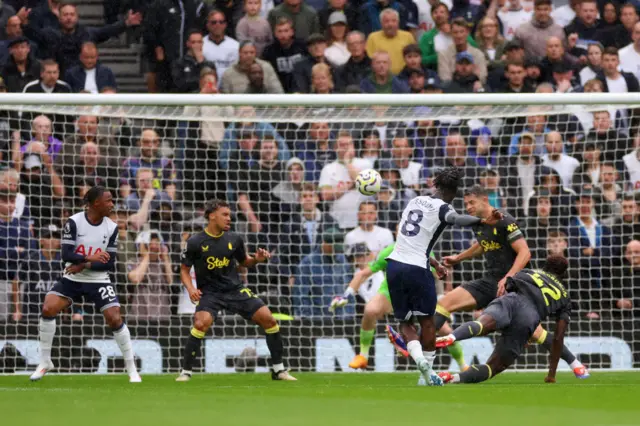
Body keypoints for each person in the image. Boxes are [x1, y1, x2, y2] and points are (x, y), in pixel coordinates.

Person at [425, 184, 589, 379]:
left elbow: (525, 252)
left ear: (484, 200)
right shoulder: (479, 223)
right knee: (443, 304)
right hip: (490, 281)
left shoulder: (505, 220)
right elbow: (482, 244)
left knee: (537, 333)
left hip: (516, 286)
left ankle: (575, 363)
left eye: (471, 202)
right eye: (465, 203)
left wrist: (509, 277)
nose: (467, 207)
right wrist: (458, 258)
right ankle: (424, 355)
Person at [382, 167, 504, 386]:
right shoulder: (443, 208)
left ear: (435, 185)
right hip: (417, 269)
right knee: (428, 322)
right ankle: (424, 375)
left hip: (394, 265)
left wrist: (435, 262)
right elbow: (455, 218)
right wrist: (482, 221)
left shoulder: (415, 201)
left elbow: (411, 239)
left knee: (405, 322)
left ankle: (419, 359)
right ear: (455, 192)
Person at [29, 186, 141, 383]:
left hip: (98, 279)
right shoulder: (74, 222)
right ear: (96, 203)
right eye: (108, 200)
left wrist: (85, 264)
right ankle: (45, 362)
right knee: (48, 307)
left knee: (114, 318)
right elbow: (66, 254)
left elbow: (109, 262)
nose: (112, 204)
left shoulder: (112, 227)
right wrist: (90, 257)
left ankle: (131, 369)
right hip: (72, 278)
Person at [176, 199, 296, 381]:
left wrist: (257, 259)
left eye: (229, 215)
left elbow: (244, 262)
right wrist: (191, 288)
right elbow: (184, 270)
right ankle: (186, 372)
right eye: (224, 214)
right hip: (210, 293)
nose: (229, 218)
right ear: (211, 216)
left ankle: (279, 370)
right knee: (201, 323)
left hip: (235, 289)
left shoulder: (234, 239)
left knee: (269, 320)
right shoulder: (195, 242)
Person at [330, 241, 468, 372]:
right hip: (391, 292)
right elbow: (363, 273)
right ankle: (363, 356)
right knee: (370, 310)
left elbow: (437, 275)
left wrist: (442, 297)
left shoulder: (425, 251)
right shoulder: (389, 251)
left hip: (418, 294)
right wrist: (346, 294)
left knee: (445, 330)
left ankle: (463, 365)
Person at [436, 256, 572, 384]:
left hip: (510, 302)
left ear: (544, 267)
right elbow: (558, 337)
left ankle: (452, 336)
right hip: (529, 319)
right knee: (492, 368)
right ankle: (452, 378)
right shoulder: (564, 296)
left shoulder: (528, 272)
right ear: (563, 274)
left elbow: (505, 289)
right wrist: (551, 374)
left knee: (481, 325)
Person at [203, 10, 239, 81]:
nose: (218, 25)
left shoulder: (235, 45)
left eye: (221, 22)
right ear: (207, 25)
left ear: (225, 24)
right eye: (214, 22)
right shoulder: (200, 44)